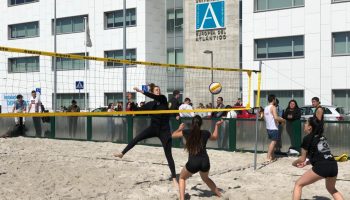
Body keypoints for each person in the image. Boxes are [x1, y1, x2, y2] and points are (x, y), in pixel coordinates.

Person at [113, 83, 177, 186]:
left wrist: (141, 91)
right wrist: (131, 101)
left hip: (164, 130)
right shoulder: (151, 104)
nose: (158, 91)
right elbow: (139, 110)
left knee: (168, 154)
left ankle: (174, 177)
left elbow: (154, 96)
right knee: (137, 138)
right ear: (153, 91)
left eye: (159, 89)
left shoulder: (163, 99)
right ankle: (122, 153)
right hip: (153, 128)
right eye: (156, 90)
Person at [172, 116, 223, 200]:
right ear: (201, 124)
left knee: (182, 178)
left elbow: (173, 135)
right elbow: (215, 137)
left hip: (193, 162)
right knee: (206, 179)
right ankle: (220, 195)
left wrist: (179, 128)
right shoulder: (205, 133)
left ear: (192, 124)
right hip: (205, 161)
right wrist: (217, 126)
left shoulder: (187, 132)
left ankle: (182, 199)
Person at [292, 116, 343, 200]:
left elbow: (302, 159)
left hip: (322, 166)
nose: (304, 125)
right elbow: (321, 154)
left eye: (306, 123)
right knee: (331, 189)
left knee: (298, 184)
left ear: (310, 127)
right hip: (333, 165)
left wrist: (293, 163)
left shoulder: (307, 138)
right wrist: (307, 163)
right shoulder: (322, 137)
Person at [264, 94, 286, 162]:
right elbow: (276, 117)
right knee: (273, 142)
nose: (276, 100)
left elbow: (266, 118)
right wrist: (283, 120)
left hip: (268, 127)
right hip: (273, 128)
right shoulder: (273, 107)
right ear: (273, 99)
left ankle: (272, 156)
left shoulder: (266, 107)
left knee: (272, 143)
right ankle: (268, 157)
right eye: (275, 99)